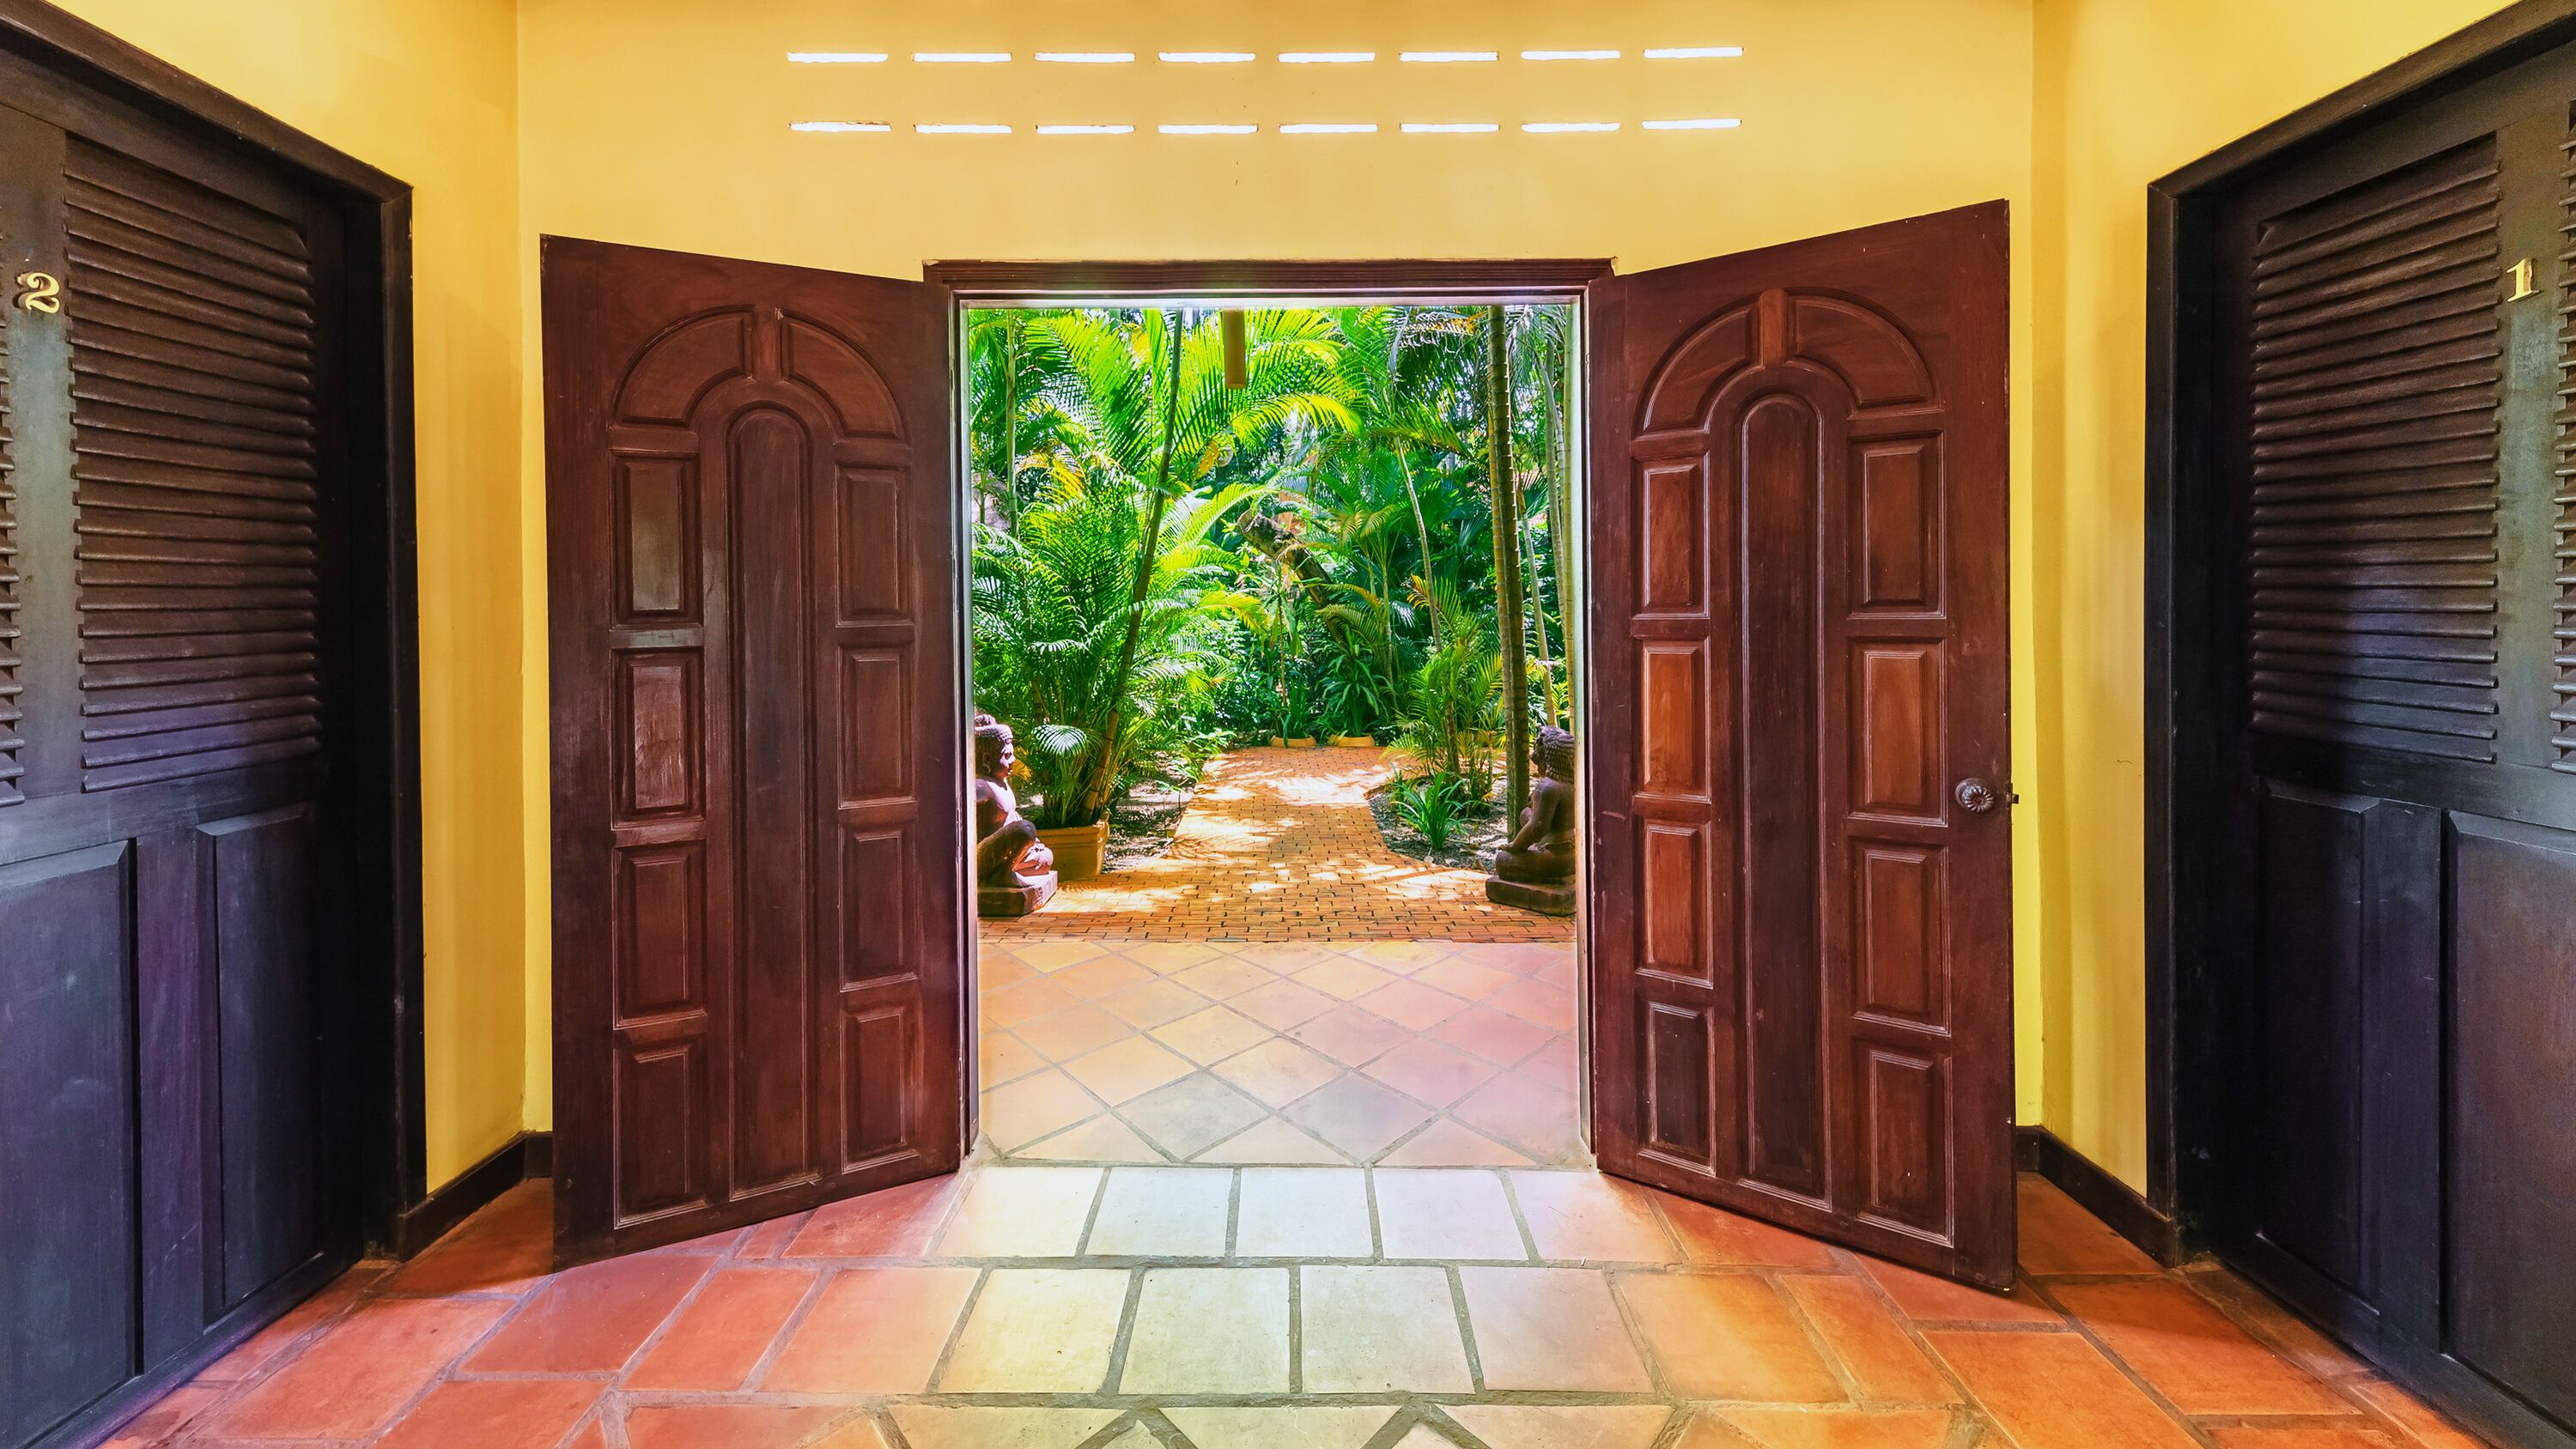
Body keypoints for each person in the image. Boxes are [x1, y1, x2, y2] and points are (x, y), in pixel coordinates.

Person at [973, 713, 1054, 890]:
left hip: (1006, 852)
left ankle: (1004, 869)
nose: (1013, 760)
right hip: (983, 854)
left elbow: (1011, 816)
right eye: (1007, 755)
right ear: (987, 759)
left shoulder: (1002, 783)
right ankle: (1003, 873)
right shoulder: (980, 786)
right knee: (1026, 829)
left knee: (1046, 858)